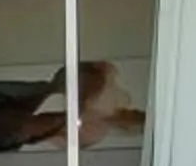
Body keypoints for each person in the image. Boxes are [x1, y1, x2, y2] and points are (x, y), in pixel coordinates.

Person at [17, 61, 146, 149]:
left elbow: (58, 135)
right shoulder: (113, 98)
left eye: (132, 120)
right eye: (135, 113)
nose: (129, 115)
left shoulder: (95, 133)